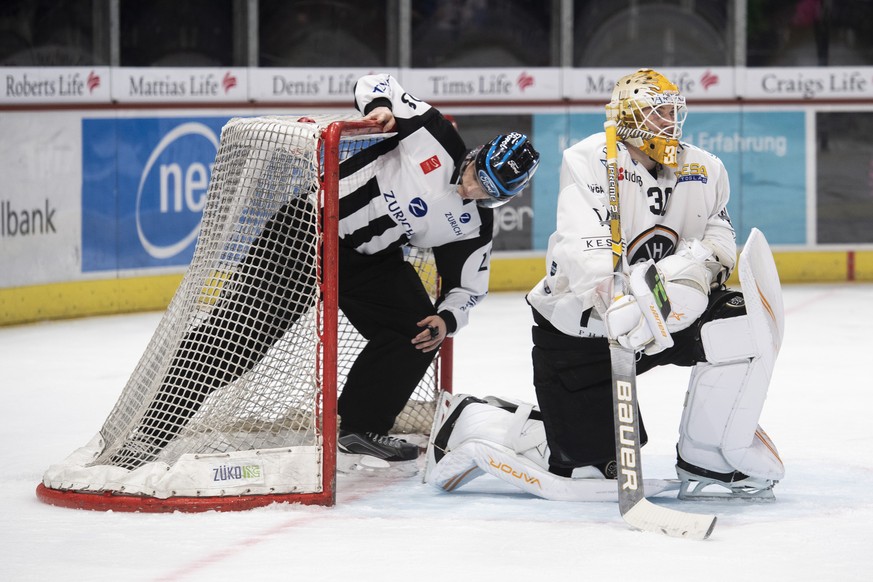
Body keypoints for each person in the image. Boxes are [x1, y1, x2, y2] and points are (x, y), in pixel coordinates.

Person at [110, 73, 540, 468]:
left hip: (369, 263)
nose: (470, 189)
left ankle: (359, 426)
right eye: (474, 175)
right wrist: (378, 107)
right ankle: (150, 433)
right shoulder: (433, 133)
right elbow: (379, 83)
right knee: (235, 336)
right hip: (304, 233)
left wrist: (447, 319)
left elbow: (468, 288)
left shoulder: (474, 224)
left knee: (416, 332)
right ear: (476, 155)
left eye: (486, 192)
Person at [425, 68, 785, 501]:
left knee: (738, 321)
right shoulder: (589, 158)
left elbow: (720, 237)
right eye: (658, 114)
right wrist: (614, 295)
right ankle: (476, 420)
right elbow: (582, 247)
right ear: (630, 117)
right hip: (582, 329)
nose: (670, 122)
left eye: (673, 112)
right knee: (593, 468)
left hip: (662, 315)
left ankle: (707, 455)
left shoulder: (706, 168)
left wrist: (691, 272)